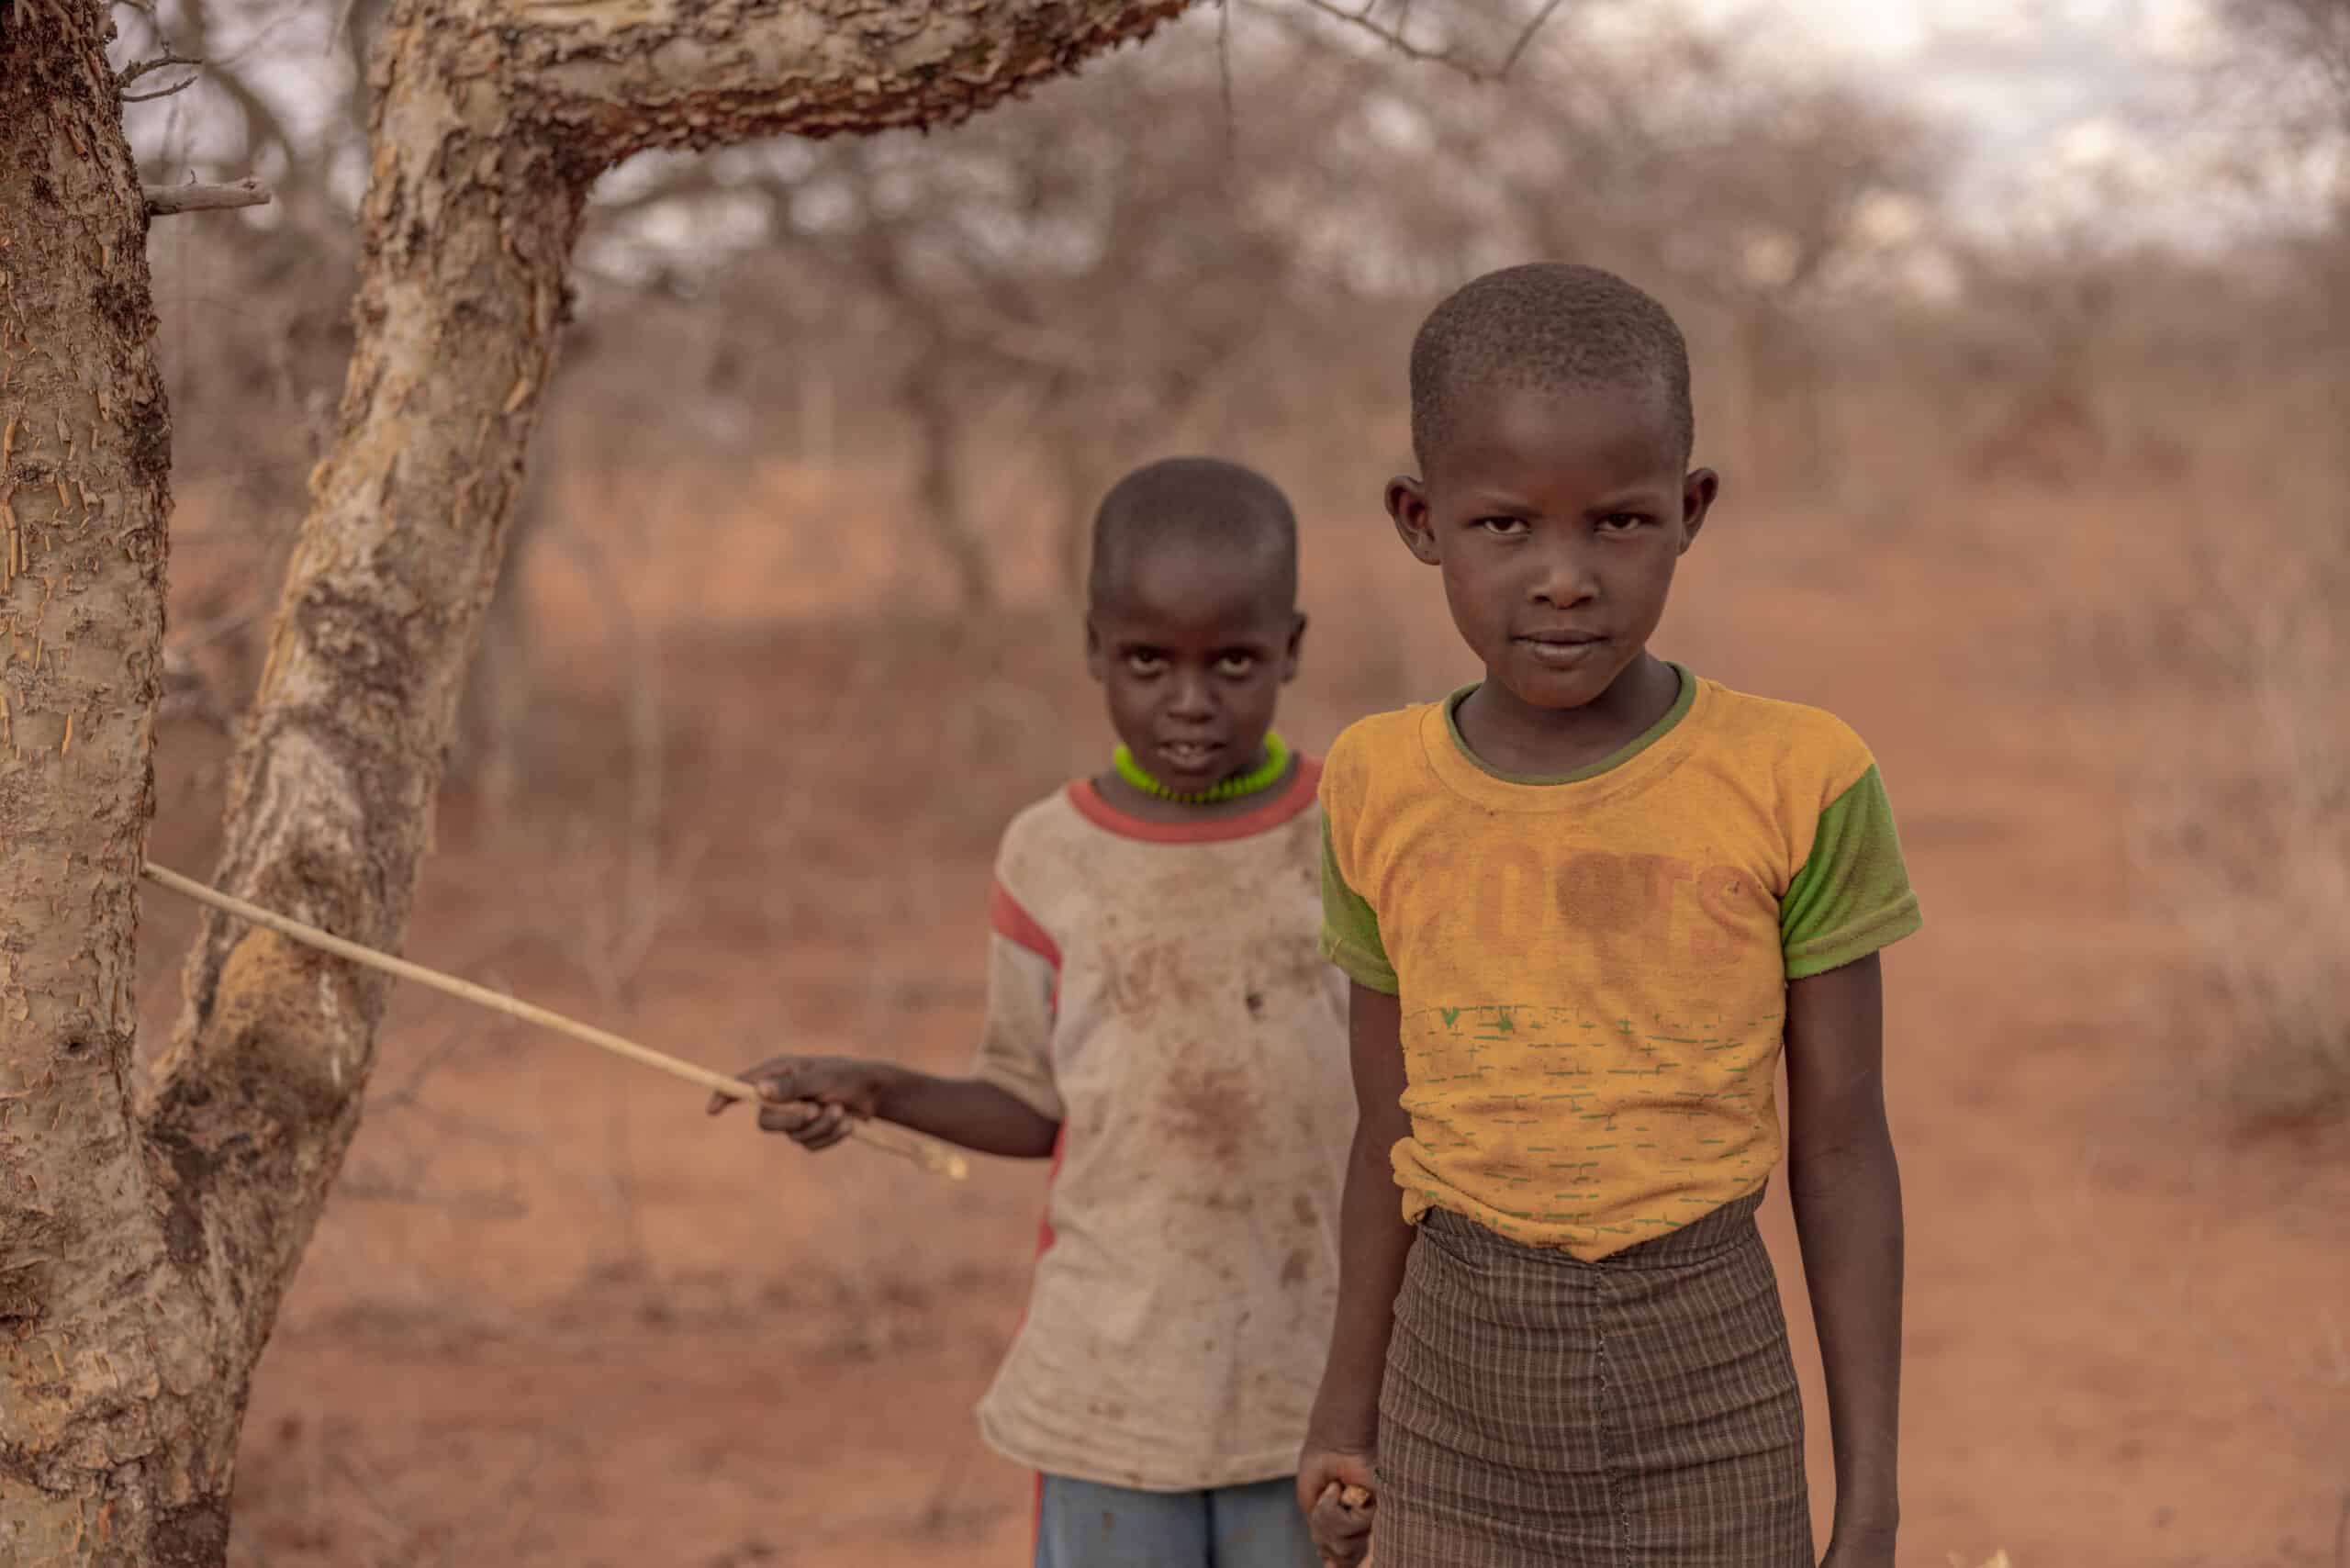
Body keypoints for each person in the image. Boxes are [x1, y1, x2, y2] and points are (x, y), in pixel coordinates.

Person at [1296, 263, 1921, 1568]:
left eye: (1621, 524)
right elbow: (1385, 1129)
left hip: (1712, 1386)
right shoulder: (1375, 785)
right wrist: (1342, 1415)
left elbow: (1845, 1149)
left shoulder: (1798, 780)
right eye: (1506, 526)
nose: (1566, 578)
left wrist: (1869, 1500)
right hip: (1452, 1392)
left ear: (1691, 511)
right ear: (1421, 519)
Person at [714, 456, 1351, 1568]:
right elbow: (1032, 1101)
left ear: (1291, 648)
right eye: (1149, 662)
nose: (1190, 701)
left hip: (1315, 1384)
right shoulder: (1050, 854)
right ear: (1095, 648)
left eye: (1234, 662)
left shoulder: (1350, 831)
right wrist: (874, 1087)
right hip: (1111, 1381)